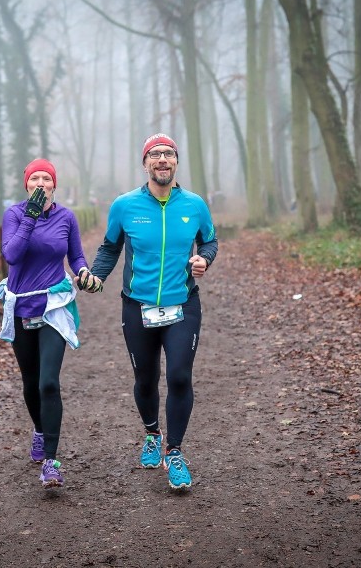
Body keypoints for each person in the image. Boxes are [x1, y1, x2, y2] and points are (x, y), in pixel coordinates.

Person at [81, 133, 218, 490]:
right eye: (155, 154)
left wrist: (204, 258)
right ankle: (152, 434)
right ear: (145, 163)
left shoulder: (194, 204)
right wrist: (96, 277)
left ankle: (174, 452)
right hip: (137, 306)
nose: (162, 160)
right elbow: (110, 248)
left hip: (182, 304)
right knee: (145, 379)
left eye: (168, 154)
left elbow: (210, 240)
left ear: (175, 162)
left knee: (179, 376)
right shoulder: (125, 206)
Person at [0, 158, 97, 488]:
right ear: (26, 184)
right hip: (20, 308)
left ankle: (51, 462)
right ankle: (39, 430)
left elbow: (76, 256)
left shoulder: (66, 217)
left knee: (48, 383)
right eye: (34, 178)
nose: (40, 182)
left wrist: (83, 271)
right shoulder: (14, 215)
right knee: (30, 382)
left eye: (46, 178)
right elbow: (12, 255)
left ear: (54, 184)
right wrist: (31, 216)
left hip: (53, 307)